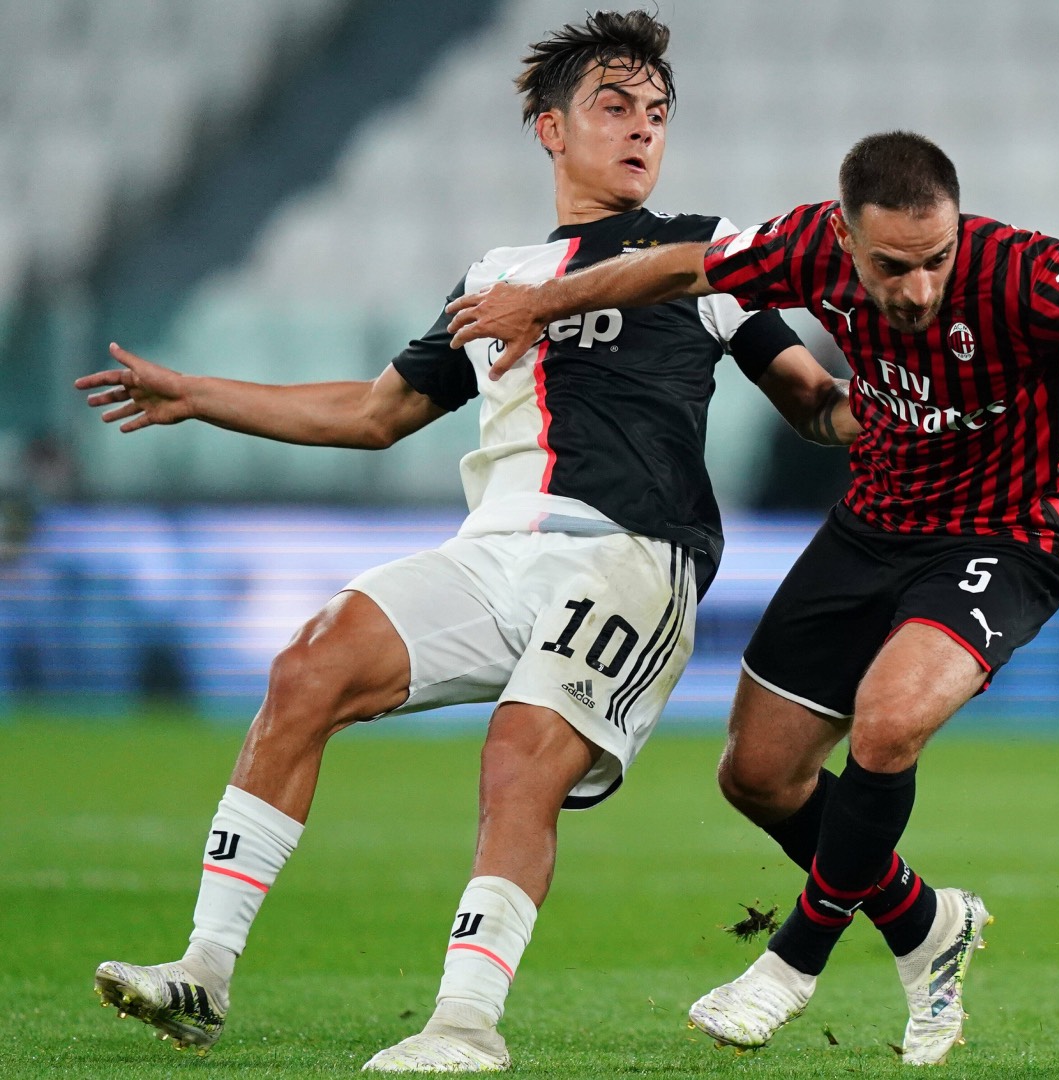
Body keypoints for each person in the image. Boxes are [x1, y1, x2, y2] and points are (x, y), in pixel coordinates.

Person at [445, 130, 1059, 1065]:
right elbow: (677, 267)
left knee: (889, 720)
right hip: (873, 526)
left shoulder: (1029, 275)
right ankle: (927, 924)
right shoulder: (803, 247)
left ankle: (792, 964)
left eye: (935, 260)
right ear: (847, 238)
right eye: (893, 267)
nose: (918, 288)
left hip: (1007, 539)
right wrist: (543, 301)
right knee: (758, 776)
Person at [74, 11, 856, 1073]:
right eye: (615, 106)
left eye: (658, 112)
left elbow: (813, 403)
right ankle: (203, 971)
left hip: (632, 555)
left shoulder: (702, 257)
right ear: (551, 128)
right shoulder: (496, 273)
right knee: (307, 668)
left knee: (518, 754)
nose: (643, 128)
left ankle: (464, 1024)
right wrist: (198, 395)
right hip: (494, 550)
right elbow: (373, 413)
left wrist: (889, 409)